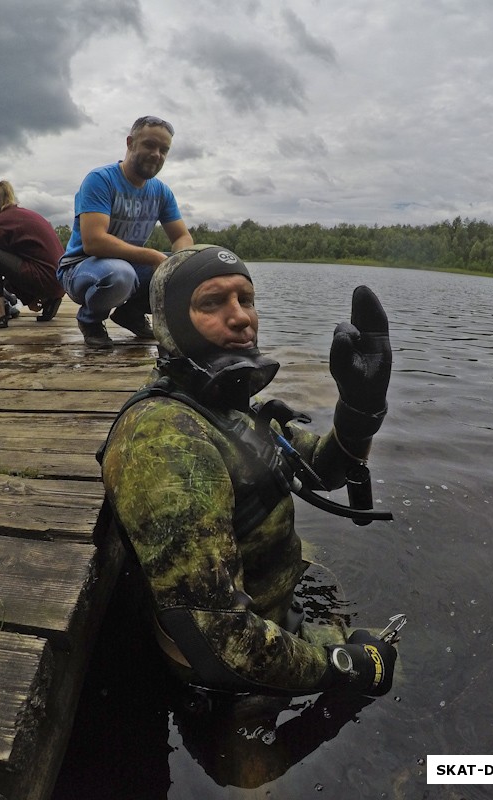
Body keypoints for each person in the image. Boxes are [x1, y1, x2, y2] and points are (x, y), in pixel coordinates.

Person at [99, 244, 399, 702]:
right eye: (212, 303)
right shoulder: (166, 443)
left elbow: (323, 469)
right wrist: (345, 666)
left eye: (246, 299)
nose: (241, 317)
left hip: (272, 610)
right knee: (414, 672)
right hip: (225, 675)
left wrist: (360, 409)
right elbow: (218, 641)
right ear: (172, 323)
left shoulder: (225, 404)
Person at [58, 115, 194, 350]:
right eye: (150, 145)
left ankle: (130, 314)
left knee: (185, 271)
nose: (156, 154)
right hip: (81, 267)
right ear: (130, 143)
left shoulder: (161, 192)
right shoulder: (100, 180)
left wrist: (179, 264)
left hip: (127, 266)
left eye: (164, 150)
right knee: (121, 274)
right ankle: (90, 320)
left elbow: (182, 237)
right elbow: (94, 242)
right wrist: (153, 256)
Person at [0, 181, 65, 329]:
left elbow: (2, 266)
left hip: (46, 278)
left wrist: (27, 300)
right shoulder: (21, 214)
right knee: (6, 281)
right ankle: (48, 300)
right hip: (61, 280)